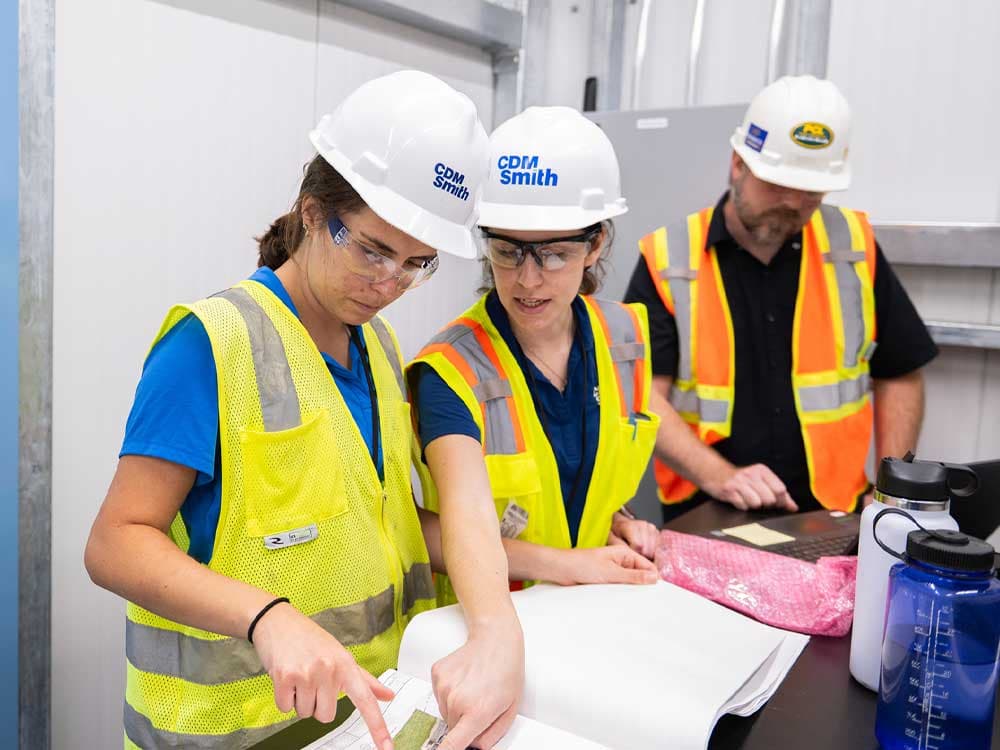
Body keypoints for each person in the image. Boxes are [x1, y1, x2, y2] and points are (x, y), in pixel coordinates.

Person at [84, 71, 522, 750]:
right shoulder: (211, 343)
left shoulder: (378, 347)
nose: (389, 283)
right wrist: (267, 617)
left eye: (417, 264)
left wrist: (554, 566)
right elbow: (114, 542)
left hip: (364, 719)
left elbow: (387, 527)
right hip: (231, 735)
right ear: (313, 212)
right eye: (373, 250)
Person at [624, 75, 938, 523]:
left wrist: (892, 493)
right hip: (710, 512)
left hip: (835, 512)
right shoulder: (669, 256)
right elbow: (643, 396)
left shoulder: (852, 246)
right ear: (738, 164)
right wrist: (720, 476)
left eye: (810, 191)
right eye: (776, 184)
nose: (792, 202)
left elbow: (900, 373)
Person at [407, 106, 663, 608]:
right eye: (507, 252)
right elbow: (451, 528)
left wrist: (618, 523)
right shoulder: (450, 371)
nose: (527, 280)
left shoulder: (625, 338)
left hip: (592, 608)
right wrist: (571, 565)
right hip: (488, 618)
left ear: (595, 244)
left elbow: (577, 485)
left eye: (554, 254)